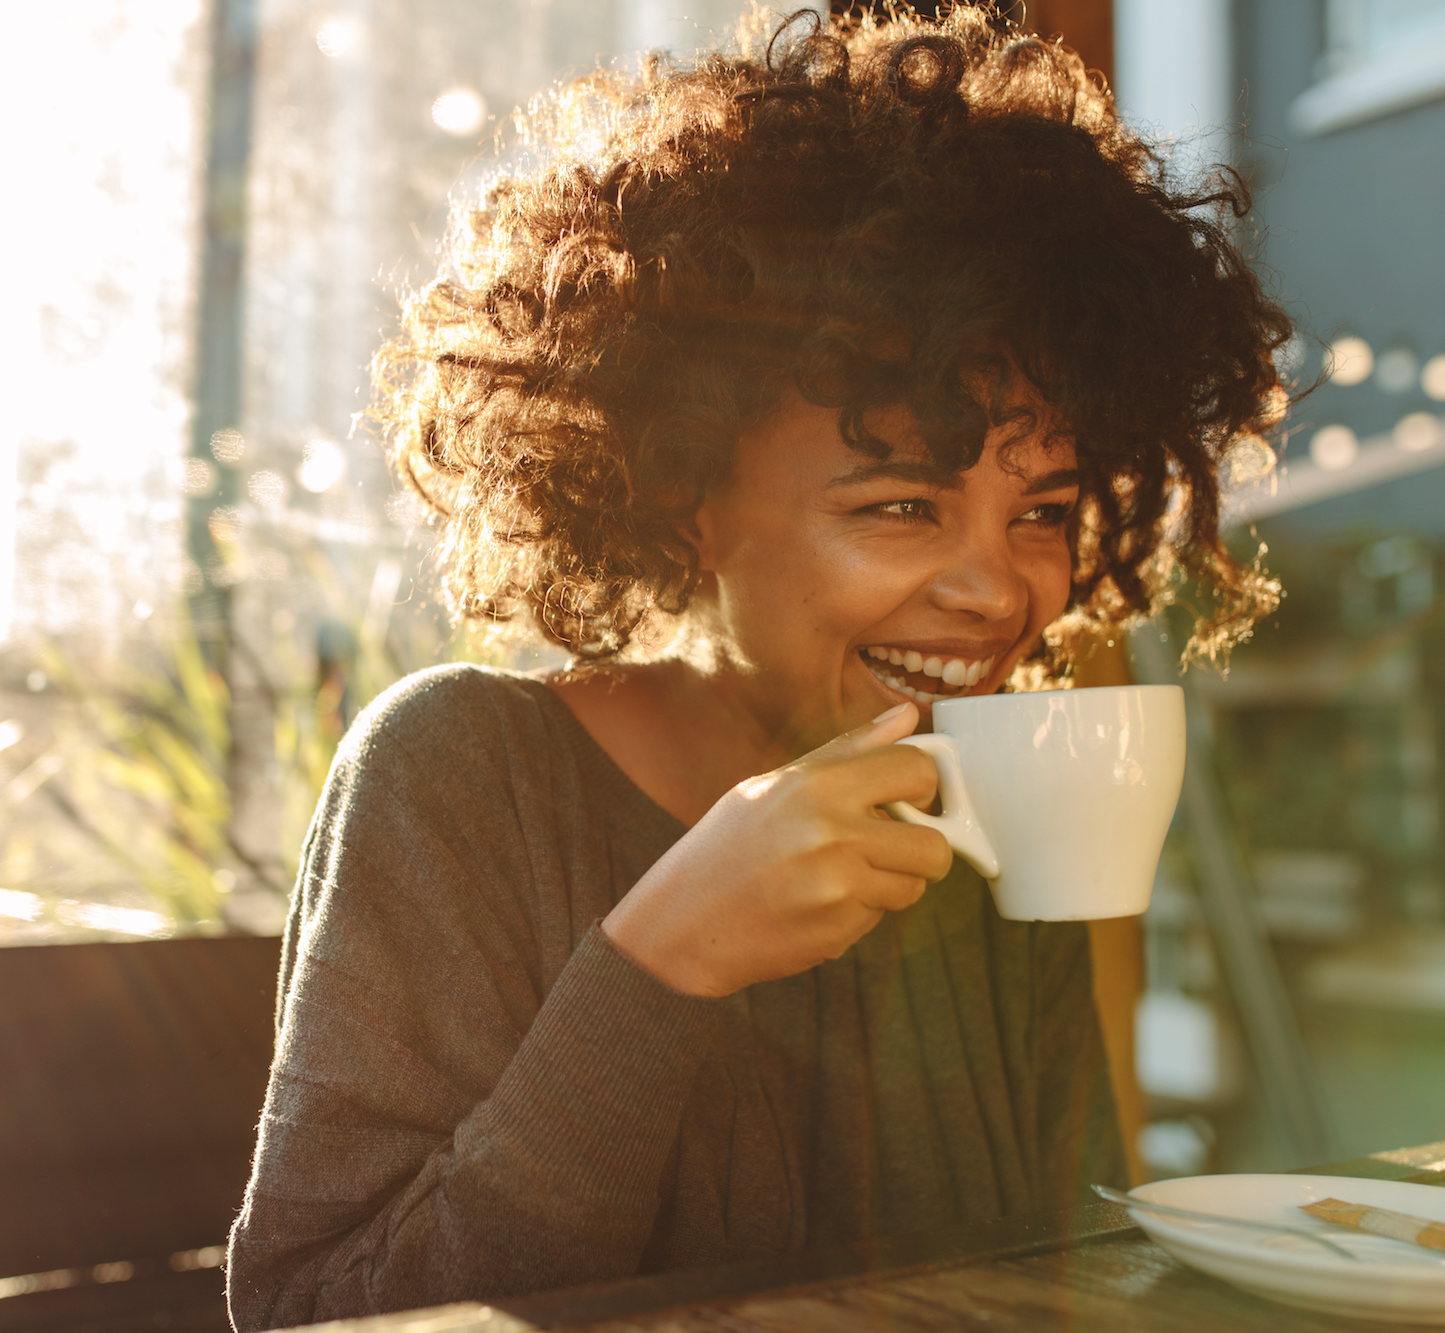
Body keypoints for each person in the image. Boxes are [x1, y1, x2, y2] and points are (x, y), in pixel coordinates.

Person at [227, 6, 1290, 1328]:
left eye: (1043, 512)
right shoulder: (460, 772)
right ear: (684, 495)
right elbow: (312, 1310)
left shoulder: (990, 807)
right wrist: (659, 962)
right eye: (902, 506)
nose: (999, 587)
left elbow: (1054, 1277)